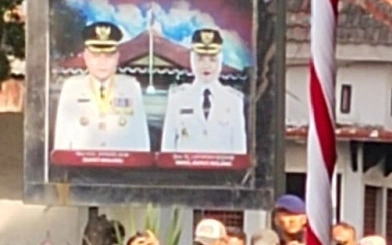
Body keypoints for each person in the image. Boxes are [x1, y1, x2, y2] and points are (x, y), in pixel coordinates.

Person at [53, 22, 151, 153]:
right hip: (81, 170)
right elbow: (62, 139)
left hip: (122, 170)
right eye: (96, 55)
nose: (102, 62)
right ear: (86, 57)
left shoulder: (131, 88)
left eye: (108, 56)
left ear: (117, 57)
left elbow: (141, 139)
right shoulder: (72, 89)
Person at [160, 28, 247, 154]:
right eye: (200, 59)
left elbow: (239, 149)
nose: (206, 66)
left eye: (212, 59)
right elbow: (167, 147)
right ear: (192, 60)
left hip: (222, 172)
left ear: (221, 61)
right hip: (184, 171)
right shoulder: (177, 98)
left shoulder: (233, 100)